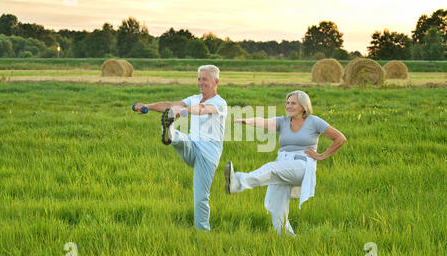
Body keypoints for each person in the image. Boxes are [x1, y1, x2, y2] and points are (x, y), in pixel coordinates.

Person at [224, 90, 346, 236]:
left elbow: (340, 138)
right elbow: (264, 121)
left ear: (303, 106)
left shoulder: (314, 121)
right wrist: (247, 121)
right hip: (283, 162)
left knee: (270, 168)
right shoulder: (283, 121)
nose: (288, 106)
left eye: (293, 103)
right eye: (287, 103)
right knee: (276, 208)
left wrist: (322, 156)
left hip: (301, 164)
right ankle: (288, 239)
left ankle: (237, 182)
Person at [133, 65, 227, 231]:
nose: (200, 82)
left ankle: (202, 233)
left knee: (200, 198)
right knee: (180, 138)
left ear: (216, 81)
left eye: (204, 79)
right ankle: (169, 132)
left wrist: (183, 111)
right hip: (192, 145)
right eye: (199, 78)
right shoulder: (194, 98)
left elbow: (204, 109)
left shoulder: (219, 103)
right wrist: (147, 106)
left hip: (208, 156)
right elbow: (169, 104)